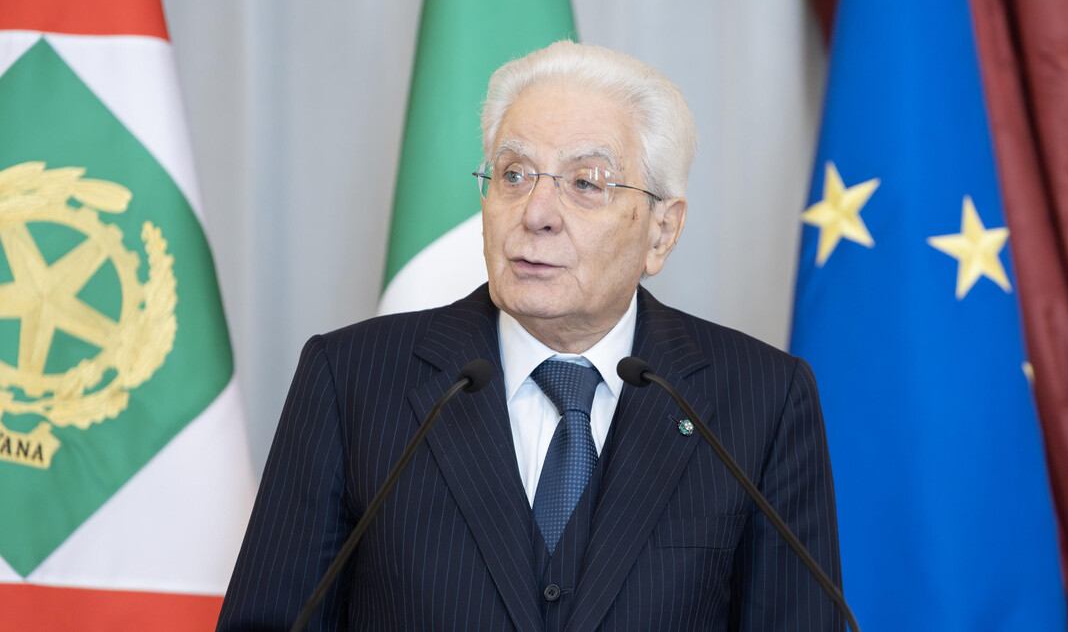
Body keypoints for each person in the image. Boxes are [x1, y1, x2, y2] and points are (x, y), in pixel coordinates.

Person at [217, 40, 842, 631]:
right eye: (514, 175)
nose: (536, 214)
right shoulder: (351, 379)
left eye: (586, 183)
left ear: (662, 230)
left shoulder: (761, 400)